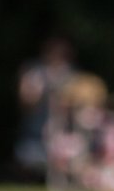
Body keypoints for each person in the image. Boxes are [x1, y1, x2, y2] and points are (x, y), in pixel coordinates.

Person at [14, 36, 76, 180]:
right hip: (35, 137)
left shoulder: (73, 74)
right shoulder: (34, 71)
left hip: (64, 135)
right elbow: (25, 103)